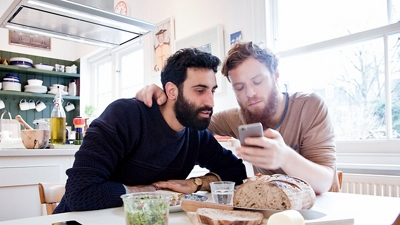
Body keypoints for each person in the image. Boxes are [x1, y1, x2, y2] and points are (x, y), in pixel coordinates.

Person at [53, 48, 247, 214]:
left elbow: (236, 170)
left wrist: (196, 183)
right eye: (199, 90)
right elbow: (80, 193)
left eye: (212, 90)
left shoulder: (195, 133)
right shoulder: (124, 116)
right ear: (172, 91)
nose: (210, 102)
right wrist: (147, 192)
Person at [135, 42, 339, 194]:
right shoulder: (236, 118)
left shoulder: (309, 106)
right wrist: (165, 98)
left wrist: (285, 156)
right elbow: (186, 121)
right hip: (276, 209)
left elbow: (325, 182)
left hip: (322, 209)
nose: (250, 93)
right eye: (239, 87)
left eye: (258, 81)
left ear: (276, 76)